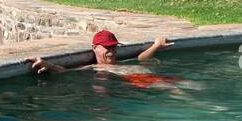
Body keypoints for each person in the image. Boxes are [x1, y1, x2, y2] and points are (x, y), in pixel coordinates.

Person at [29, 30, 173, 74]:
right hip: (142, 82)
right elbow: (65, 71)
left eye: (113, 47)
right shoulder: (95, 68)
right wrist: (49, 65)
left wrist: (156, 46)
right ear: (94, 48)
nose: (111, 50)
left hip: (153, 78)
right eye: (107, 47)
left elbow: (141, 58)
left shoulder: (121, 62)